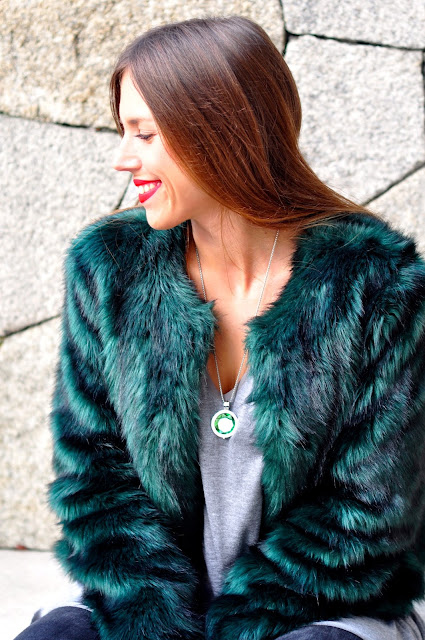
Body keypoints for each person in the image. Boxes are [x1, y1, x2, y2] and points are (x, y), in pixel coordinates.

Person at [14, 14, 425, 640]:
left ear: (221, 131)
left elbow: (371, 514)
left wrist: (236, 630)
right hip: (148, 611)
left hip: (317, 609)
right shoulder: (109, 269)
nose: (123, 159)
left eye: (144, 134)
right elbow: (91, 477)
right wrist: (155, 623)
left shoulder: (377, 285)